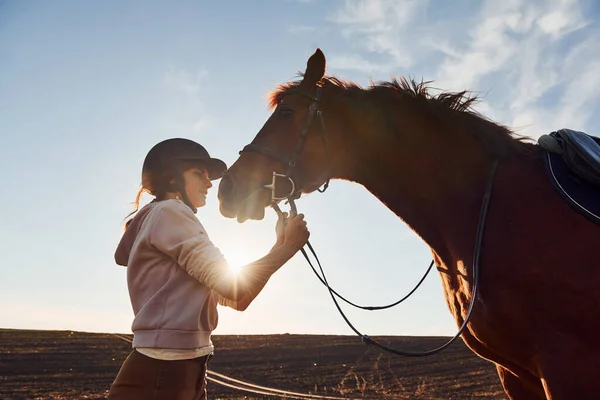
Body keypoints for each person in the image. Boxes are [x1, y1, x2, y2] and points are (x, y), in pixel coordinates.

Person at [108, 138, 309, 400]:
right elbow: (233, 288)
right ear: (171, 177)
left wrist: (279, 246)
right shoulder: (170, 212)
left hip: (179, 372)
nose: (209, 183)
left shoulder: (165, 220)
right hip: (162, 375)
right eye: (198, 174)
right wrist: (286, 248)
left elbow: (239, 299)